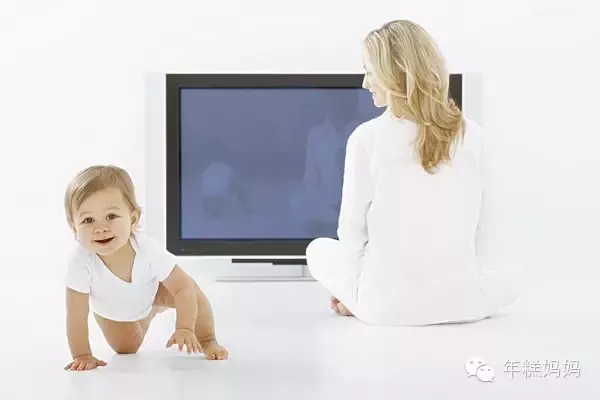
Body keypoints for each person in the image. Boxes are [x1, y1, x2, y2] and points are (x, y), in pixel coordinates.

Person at [306, 20, 524, 326]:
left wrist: (350, 291)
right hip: (463, 305)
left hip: (383, 311)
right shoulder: (474, 135)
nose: (365, 83)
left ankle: (358, 300)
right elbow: (485, 230)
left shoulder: (366, 138)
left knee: (317, 249)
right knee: (515, 274)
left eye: (370, 71)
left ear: (394, 73)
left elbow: (352, 236)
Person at [63, 165, 228, 371]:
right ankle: (149, 313)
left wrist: (184, 328)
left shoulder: (147, 249)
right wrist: (82, 355)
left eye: (111, 216)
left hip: (154, 291)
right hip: (113, 309)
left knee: (192, 294)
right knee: (126, 348)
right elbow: (76, 315)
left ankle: (208, 339)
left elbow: (183, 288)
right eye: (88, 220)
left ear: (133, 218)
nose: (101, 228)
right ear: (74, 227)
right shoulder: (80, 262)